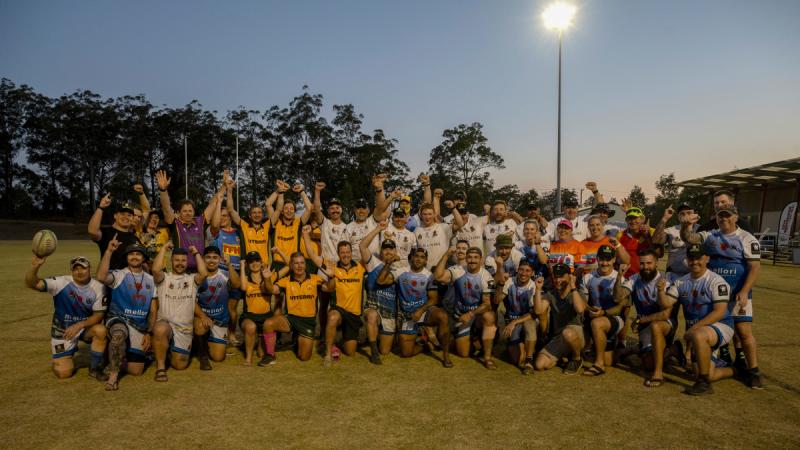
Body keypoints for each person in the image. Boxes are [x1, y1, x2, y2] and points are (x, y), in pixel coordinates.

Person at [681, 205, 763, 389]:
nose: (723, 219)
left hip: (737, 295)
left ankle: (754, 371)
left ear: (736, 217)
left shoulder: (746, 238)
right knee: (711, 329)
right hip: (714, 296)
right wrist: (686, 227)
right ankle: (710, 363)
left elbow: (755, 267)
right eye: (720, 216)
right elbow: (690, 239)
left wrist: (744, 290)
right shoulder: (711, 236)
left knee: (743, 333)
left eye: (727, 215)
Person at [25, 254, 108, 381]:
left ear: (89, 268)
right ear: (71, 271)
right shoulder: (60, 282)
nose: (79, 272)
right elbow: (33, 283)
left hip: (84, 327)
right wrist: (35, 266)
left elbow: (98, 315)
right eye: (76, 269)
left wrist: (79, 325)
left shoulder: (98, 287)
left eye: (83, 268)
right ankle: (63, 356)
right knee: (64, 373)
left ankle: (94, 368)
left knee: (101, 330)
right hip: (62, 330)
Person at [666, 244, 735, 395]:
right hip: (702, 331)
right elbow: (666, 303)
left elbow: (719, 312)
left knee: (699, 335)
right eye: (691, 258)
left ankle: (704, 384)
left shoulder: (716, 281)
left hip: (721, 325)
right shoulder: (681, 282)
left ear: (707, 259)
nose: (694, 262)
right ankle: (734, 370)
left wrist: (694, 328)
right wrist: (659, 290)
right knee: (706, 372)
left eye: (699, 258)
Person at [96, 239, 157, 391]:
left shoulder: (151, 280)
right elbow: (101, 277)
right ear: (126, 257)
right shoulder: (118, 275)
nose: (135, 257)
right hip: (118, 319)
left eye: (138, 254)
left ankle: (117, 357)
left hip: (139, 326)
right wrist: (109, 251)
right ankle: (113, 377)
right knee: (119, 334)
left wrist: (149, 333)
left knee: (136, 371)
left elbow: (153, 310)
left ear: (143, 258)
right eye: (131, 254)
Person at [377, 247, 453, 367]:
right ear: (411, 257)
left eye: (422, 257)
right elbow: (381, 281)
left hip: (424, 311)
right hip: (408, 314)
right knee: (406, 353)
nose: (418, 259)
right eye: (416, 256)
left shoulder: (429, 276)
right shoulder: (401, 271)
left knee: (442, 316)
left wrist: (420, 310)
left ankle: (446, 356)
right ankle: (426, 345)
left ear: (426, 260)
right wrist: (388, 263)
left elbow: (434, 298)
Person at [302, 225, 364, 367]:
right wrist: (306, 236)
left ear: (351, 252)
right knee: (332, 316)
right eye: (342, 253)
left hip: (354, 314)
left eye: (348, 252)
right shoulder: (332, 266)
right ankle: (328, 353)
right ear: (338, 254)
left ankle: (338, 341)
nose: (345, 255)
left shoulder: (360, 267)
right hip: (339, 310)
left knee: (350, 352)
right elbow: (312, 256)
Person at [150, 242, 208, 381]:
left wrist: (196, 253)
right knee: (160, 329)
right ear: (171, 261)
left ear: (187, 262)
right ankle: (161, 368)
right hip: (167, 324)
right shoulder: (164, 278)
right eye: (176, 260)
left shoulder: (191, 279)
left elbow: (204, 273)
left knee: (180, 365)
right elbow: (155, 270)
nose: (180, 263)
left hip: (184, 329)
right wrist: (163, 248)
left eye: (183, 260)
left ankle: (167, 349)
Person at [434, 246, 497, 369]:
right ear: (466, 259)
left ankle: (488, 358)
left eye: (476, 257)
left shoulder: (486, 276)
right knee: (463, 354)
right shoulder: (458, 270)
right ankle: (475, 341)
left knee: (489, 317)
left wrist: (470, 314)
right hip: (459, 316)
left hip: (475, 316)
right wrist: (446, 255)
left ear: (481, 260)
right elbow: (438, 276)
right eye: (470, 257)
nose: (472, 260)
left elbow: (487, 304)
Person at [260, 252, 329, 365]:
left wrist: (331, 276)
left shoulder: (315, 279)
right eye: (296, 263)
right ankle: (270, 355)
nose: (299, 266)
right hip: (291, 319)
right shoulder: (286, 281)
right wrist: (267, 279)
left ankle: (297, 338)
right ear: (291, 266)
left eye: (302, 263)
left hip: (308, 322)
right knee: (268, 324)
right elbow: (271, 290)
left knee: (304, 357)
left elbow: (330, 288)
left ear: (306, 265)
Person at [621, 249, 676, 387]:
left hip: (665, 324)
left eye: (649, 263)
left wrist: (640, 320)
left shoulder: (665, 280)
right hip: (645, 326)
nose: (646, 267)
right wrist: (618, 277)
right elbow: (619, 296)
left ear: (657, 262)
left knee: (656, 326)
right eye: (642, 263)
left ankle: (659, 372)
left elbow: (665, 314)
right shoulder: (634, 278)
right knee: (647, 363)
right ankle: (641, 349)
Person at [156, 169, 222, 272]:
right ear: (179, 213)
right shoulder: (175, 224)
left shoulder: (200, 222)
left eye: (190, 211)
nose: (188, 213)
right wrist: (163, 190)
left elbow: (214, 202)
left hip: (200, 269)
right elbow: (166, 207)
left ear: (194, 212)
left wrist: (224, 186)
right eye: (185, 211)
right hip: (181, 269)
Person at [579, 246, 629, 376]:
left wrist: (618, 277)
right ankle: (595, 347)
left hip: (614, 319)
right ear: (597, 259)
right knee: (593, 323)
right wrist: (589, 309)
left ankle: (599, 364)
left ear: (614, 260)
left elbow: (619, 303)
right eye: (601, 259)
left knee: (608, 361)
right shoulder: (588, 277)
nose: (604, 263)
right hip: (594, 316)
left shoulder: (621, 278)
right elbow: (583, 301)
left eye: (608, 259)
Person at [193, 245, 241, 370]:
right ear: (203, 259)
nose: (211, 260)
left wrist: (229, 264)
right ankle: (202, 357)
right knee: (199, 325)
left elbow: (237, 284)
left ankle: (203, 341)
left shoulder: (225, 273)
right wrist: (203, 316)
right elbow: (192, 302)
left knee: (218, 357)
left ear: (220, 259)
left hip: (220, 321)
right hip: (203, 318)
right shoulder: (198, 277)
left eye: (215, 257)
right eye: (208, 257)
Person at [534, 263, 587, 374]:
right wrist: (538, 289)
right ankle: (564, 355)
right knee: (540, 364)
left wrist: (573, 286)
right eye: (556, 276)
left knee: (568, 333)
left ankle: (577, 358)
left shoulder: (577, 292)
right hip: (560, 336)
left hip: (577, 335)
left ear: (569, 276)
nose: (558, 280)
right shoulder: (551, 294)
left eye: (561, 276)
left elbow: (580, 309)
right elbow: (538, 311)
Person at [360, 225, 400, 364]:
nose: (388, 251)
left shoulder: (400, 269)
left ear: (395, 251)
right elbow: (363, 246)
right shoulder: (373, 263)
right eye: (385, 248)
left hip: (389, 312)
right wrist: (378, 229)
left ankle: (379, 339)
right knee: (371, 316)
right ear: (381, 251)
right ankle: (373, 352)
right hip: (373, 306)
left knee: (386, 350)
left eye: (391, 248)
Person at [495, 261, 542, 374]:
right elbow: (496, 301)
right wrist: (501, 284)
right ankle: (522, 347)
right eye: (521, 269)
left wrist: (514, 322)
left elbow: (535, 313)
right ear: (517, 270)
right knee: (516, 360)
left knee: (529, 324)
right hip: (512, 322)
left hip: (526, 321)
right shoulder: (509, 281)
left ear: (532, 273)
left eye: (527, 271)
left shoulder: (533, 286)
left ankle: (529, 360)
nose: (523, 273)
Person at [238, 251, 275, 366]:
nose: (254, 264)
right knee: (250, 326)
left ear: (261, 262)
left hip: (265, 317)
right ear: (248, 264)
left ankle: (259, 338)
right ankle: (248, 358)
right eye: (251, 262)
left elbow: (288, 266)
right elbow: (243, 287)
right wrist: (242, 267)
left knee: (261, 354)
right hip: (249, 317)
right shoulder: (246, 279)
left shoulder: (268, 276)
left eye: (257, 260)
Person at [88, 193, 142, 270]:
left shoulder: (134, 238)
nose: (126, 217)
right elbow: (92, 231)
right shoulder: (107, 232)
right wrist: (101, 208)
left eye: (129, 215)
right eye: (122, 214)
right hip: (109, 277)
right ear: (115, 216)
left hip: (129, 277)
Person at [270, 180, 314, 269]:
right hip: (277, 264)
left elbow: (309, 208)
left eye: (291, 209)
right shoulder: (276, 222)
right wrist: (280, 192)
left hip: (294, 265)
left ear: (294, 211)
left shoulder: (297, 223)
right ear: (281, 211)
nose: (289, 211)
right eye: (286, 208)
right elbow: (269, 205)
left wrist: (301, 192)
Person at [415, 202, 463, 270]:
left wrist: (453, 208)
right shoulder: (417, 230)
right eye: (425, 214)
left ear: (434, 214)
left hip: (441, 270)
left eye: (430, 214)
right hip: (423, 271)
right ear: (421, 215)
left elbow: (460, 224)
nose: (427, 217)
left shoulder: (443, 227)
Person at [653, 203, 695, 276]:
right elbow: (655, 240)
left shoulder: (701, 229)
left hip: (694, 274)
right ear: (678, 216)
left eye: (688, 212)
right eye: (682, 213)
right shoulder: (671, 230)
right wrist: (665, 218)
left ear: (694, 214)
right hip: (673, 274)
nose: (685, 215)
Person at [617, 207, 656, 278]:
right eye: (630, 219)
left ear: (642, 219)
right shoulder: (620, 235)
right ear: (626, 221)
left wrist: (647, 235)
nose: (632, 221)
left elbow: (660, 243)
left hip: (646, 276)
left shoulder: (651, 231)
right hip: (626, 276)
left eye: (635, 218)